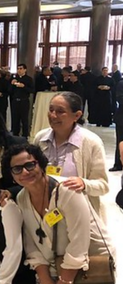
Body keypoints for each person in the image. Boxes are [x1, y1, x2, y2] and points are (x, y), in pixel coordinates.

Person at [2, 144, 114, 284]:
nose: (25, 172)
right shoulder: (21, 198)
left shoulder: (66, 190)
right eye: (17, 169)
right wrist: (45, 279)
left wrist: (66, 281)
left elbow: (80, 241)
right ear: (11, 175)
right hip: (51, 264)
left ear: (41, 164)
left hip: (91, 261)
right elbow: (31, 245)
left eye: (30, 165)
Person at [33, 91, 109, 222]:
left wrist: (83, 184)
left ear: (77, 115)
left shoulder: (90, 142)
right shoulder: (40, 138)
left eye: (60, 111)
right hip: (44, 212)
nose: (53, 115)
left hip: (80, 217)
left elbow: (103, 186)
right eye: (51, 109)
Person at [9, 64, 34, 137]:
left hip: (24, 101)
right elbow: (9, 91)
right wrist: (11, 84)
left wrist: (23, 86)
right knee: (15, 119)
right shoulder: (14, 78)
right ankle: (15, 134)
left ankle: (25, 135)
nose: (19, 70)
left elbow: (32, 90)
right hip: (15, 101)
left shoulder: (29, 79)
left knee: (24, 119)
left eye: (21, 68)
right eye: (18, 68)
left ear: (25, 70)